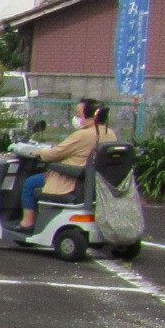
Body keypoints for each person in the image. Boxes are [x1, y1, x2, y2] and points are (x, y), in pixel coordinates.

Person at [18, 99, 116, 232]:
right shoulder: (109, 133)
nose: (75, 118)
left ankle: (27, 223)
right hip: (93, 182)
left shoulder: (82, 134)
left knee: (30, 183)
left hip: (72, 179)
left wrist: (40, 152)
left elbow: (56, 153)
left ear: (92, 117)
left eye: (78, 114)